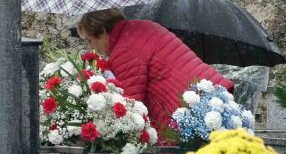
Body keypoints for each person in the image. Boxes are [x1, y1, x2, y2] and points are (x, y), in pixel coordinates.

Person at [75, 8, 234, 132]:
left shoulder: (124, 49)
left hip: (193, 112)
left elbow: (132, 108)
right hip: (212, 97)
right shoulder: (142, 27)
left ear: (102, 32)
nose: (92, 48)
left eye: (90, 40)